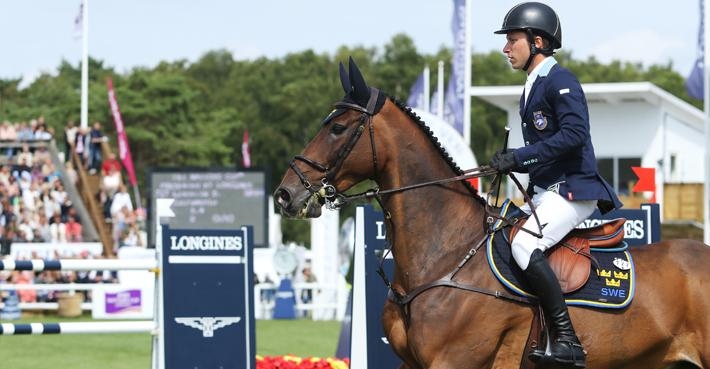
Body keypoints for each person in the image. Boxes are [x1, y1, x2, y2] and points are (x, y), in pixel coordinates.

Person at [490, 3, 622, 368]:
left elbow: (576, 136)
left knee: (524, 243)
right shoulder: (532, 86)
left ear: (537, 41)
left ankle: (567, 340)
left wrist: (522, 156)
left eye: (512, 40)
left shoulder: (560, 80)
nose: (505, 48)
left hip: (574, 189)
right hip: (548, 190)